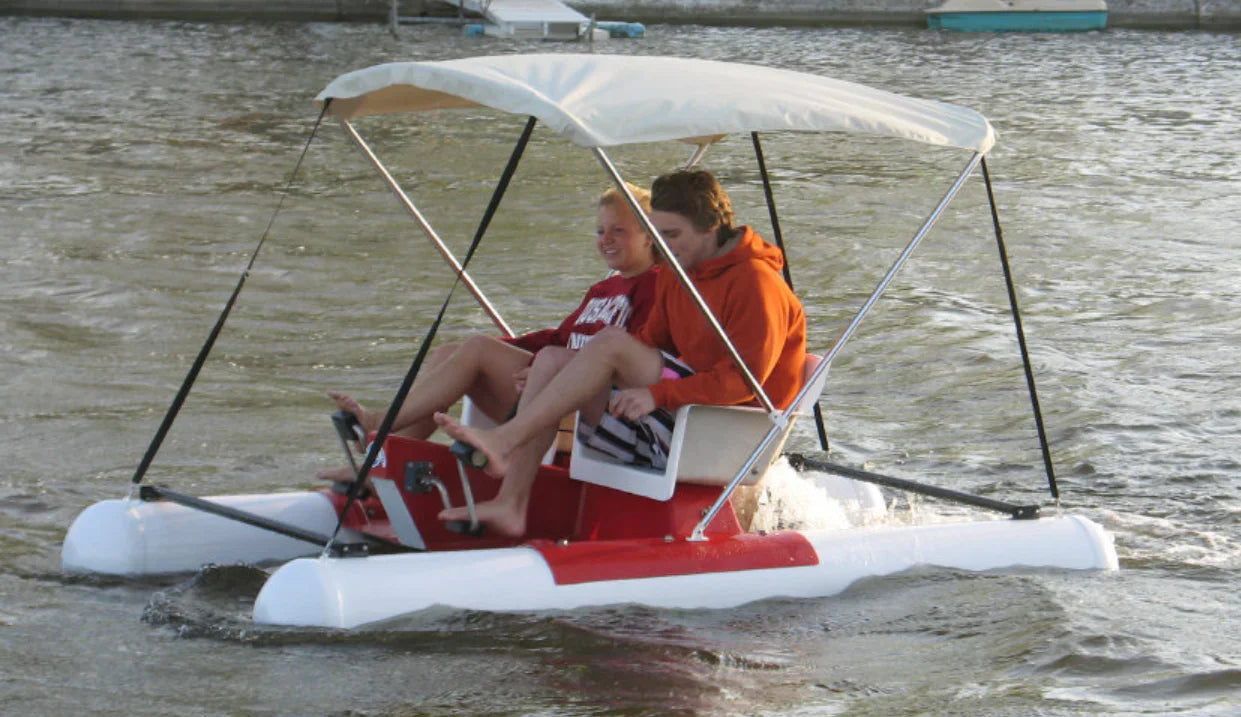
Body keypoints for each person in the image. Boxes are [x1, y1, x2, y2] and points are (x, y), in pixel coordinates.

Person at [436, 169, 807, 537]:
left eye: (672, 235)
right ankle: (511, 503)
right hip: (679, 412)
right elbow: (648, 341)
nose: (663, 246)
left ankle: (505, 440)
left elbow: (745, 383)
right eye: (657, 234)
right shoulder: (678, 274)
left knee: (611, 343)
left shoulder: (756, 283)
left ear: (710, 227)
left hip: (723, 428)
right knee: (551, 359)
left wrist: (656, 393)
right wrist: (566, 371)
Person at [318, 185, 659, 481]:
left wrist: (543, 366)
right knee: (452, 354)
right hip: (547, 391)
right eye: (600, 231)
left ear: (648, 234)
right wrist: (527, 361)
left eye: (618, 231)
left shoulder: (657, 286)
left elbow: (629, 358)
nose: (606, 240)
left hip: (587, 412)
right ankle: (376, 467)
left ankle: (381, 422)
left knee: (478, 349)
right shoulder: (603, 289)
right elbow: (556, 340)